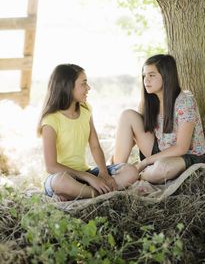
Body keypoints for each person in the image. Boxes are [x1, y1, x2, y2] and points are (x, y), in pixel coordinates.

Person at [38, 64, 138, 201]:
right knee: (60, 181)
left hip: (85, 174)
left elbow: (95, 146)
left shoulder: (86, 111)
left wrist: (103, 173)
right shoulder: (50, 121)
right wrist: (89, 178)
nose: (88, 88)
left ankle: (82, 193)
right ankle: (100, 193)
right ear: (68, 87)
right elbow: (51, 166)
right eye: (83, 84)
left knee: (131, 171)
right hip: (62, 177)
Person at [113, 54, 205, 184]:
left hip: (184, 156)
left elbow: (181, 148)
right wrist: (115, 157)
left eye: (152, 75)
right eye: (144, 76)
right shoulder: (149, 100)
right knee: (127, 115)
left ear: (166, 76)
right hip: (158, 149)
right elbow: (134, 134)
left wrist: (145, 162)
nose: (146, 80)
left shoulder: (185, 102)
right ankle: (117, 173)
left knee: (160, 170)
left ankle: (139, 175)